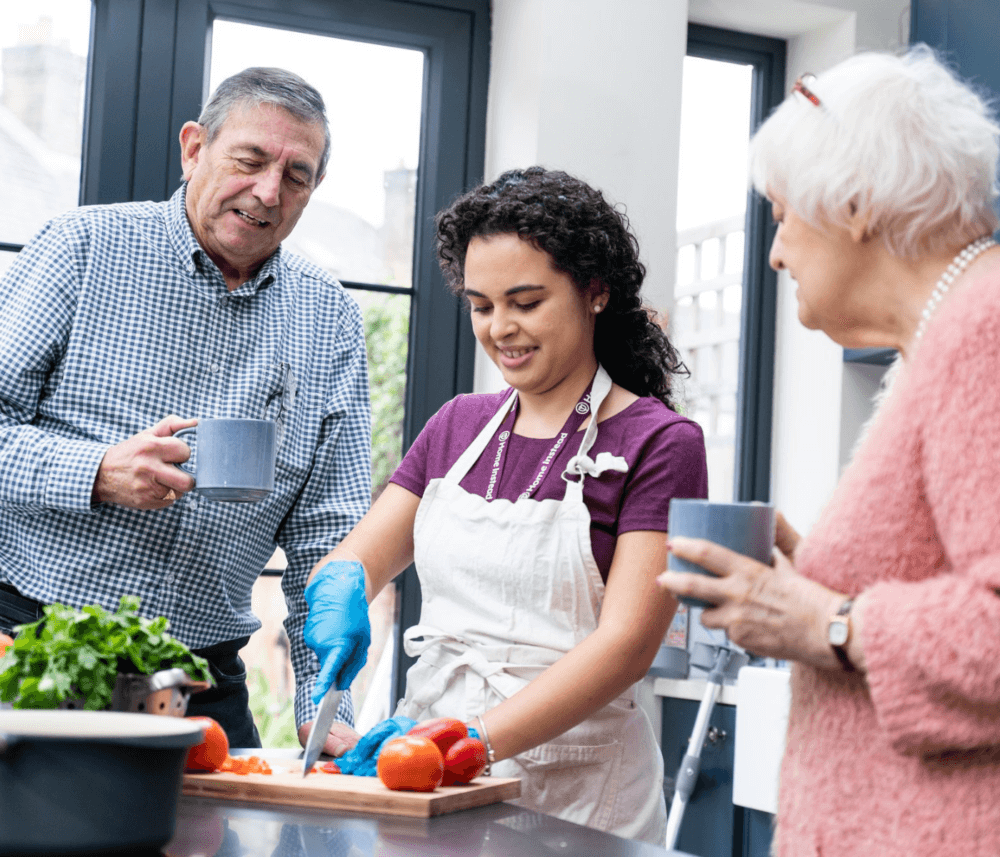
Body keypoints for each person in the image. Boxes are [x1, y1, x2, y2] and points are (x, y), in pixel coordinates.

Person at [658, 46, 1000, 856]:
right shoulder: (942, 337)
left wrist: (830, 623)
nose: (775, 252)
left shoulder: (982, 329)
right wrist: (804, 589)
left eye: (781, 213)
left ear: (852, 202)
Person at [303, 166, 708, 843]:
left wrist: (471, 740)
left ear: (596, 292)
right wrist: (340, 585)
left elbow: (626, 645)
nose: (501, 329)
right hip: (428, 770)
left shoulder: (660, 442)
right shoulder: (458, 425)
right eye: (481, 305)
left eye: (525, 301)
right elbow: (359, 556)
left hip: (578, 792)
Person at [0, 67, 371, 752]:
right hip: (32, 645)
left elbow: (329, 534)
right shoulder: (81, 248)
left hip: (201, 678)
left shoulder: (332, 318)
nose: (268, 191)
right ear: (194, 148)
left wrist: (328, 707)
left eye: (297, 175)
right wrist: (95, 471)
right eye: (251, 160)